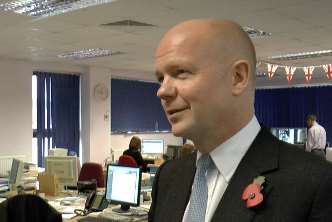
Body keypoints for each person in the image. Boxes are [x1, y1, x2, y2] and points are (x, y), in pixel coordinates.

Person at [148, 19, 332, 222]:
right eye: (160, 79)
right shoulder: (168, 177)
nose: (162, 91)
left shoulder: (315, 184)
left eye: (181, 72)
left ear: (237, 77)